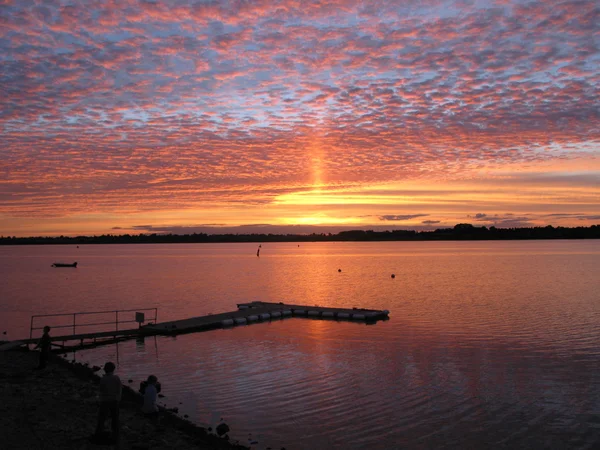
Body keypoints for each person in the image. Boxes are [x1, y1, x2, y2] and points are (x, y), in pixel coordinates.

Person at [94, 361, 122, 444]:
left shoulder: (103, 379)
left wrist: (100, 399)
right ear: (113, 370)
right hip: (114, 401)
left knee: (102, 418)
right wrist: (118, 399)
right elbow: (119, 390)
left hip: (105, 401)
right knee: (115, 419)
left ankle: (98, 433)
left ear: (105, 370)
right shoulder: (116, 378)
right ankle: (116, 435)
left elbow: (101, 390)